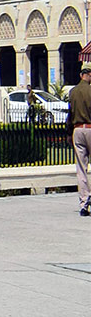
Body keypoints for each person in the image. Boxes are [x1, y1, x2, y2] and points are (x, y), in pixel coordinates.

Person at [72, 61, 91, 218]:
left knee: (81, 168)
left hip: (77, 129)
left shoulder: (73, 92)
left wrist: (68, 133)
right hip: (90, 128)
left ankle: (84, 202)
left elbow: (69, 114)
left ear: (81, 75)